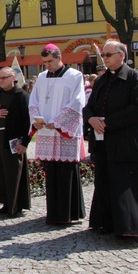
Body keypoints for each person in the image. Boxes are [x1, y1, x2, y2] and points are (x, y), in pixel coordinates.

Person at [83, 40, 138, 238]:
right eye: (103, 55)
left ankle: (129, 228)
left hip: (125, 142)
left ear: (121, 55)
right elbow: (88, 106)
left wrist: (107, 123)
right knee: (104, 182)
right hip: (103, 143)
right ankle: (105, 223)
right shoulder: (101, 80)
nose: (104, 58)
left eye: (108, 55)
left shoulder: (134, 78)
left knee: (125, 183)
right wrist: (91, 118)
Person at [28, 43, 87, 225]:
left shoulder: (74, 76)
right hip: (47, 131)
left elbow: (77, 102)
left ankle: (69, 213)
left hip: (64, 131)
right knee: (51, 172)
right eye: (44, 62)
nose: (47, 66)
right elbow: (34, 100)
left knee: (67, 171)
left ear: (59, 58)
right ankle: (53, 213)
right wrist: (37, 119)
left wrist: (59, 122)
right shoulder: (42, 77)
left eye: (50, 62)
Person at [0, 67, 31, 217]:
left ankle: (16, 205)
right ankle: (5, 203)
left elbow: (28, 121)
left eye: (4, 78)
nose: (0, 80)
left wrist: (25, 142)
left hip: (14, 140)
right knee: (1, 173)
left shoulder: (21, 96)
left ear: (13, 78)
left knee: (14, 173)